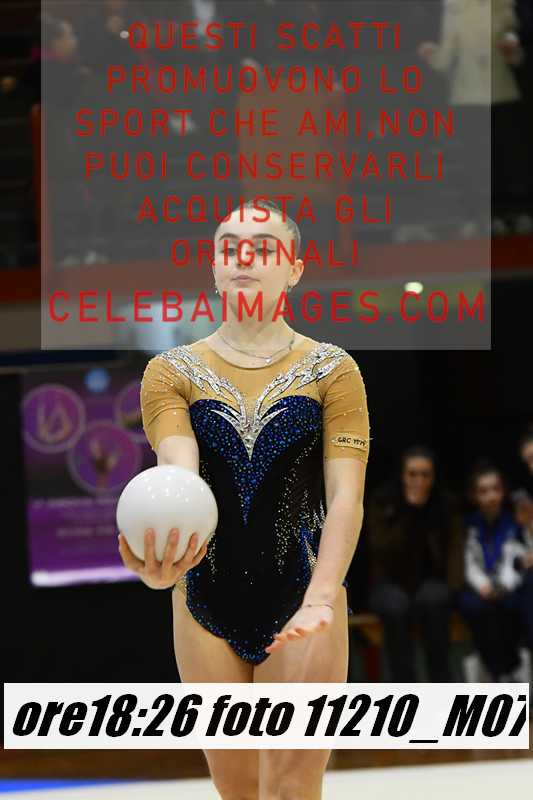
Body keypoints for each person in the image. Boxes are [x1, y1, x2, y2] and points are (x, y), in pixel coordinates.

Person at [118, 198, 370, 799]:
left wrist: (321, 598)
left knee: (290, 790)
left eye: (262, 248)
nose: (243, 258)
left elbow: (346, 498)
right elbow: (179, 478)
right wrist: (162, 555)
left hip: (304, 594)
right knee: (240, 794)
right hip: (204, 602)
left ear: (295, 269)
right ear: (213, 267)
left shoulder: (332, 370)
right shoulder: (171, 372)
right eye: (229, 247)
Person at [366, 445, 464, 682]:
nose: (419, 481)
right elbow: (380, 549)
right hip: (389, 581)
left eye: (425, 474)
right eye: (412, 474)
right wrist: (409, 512)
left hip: (431, 579)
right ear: (403, 475)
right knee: (395, 607)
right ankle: (405, 689)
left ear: (433, 477)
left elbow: (455, 550)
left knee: (435, 600)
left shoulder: (445, 504)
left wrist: (455, 588)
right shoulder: (383, 501)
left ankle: (441, 687)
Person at [457, 462, 525, 681]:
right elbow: (467, 563)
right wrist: (483, 586)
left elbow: (517, 559)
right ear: (474, 495)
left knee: (513, 606)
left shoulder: (513, 523)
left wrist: (504, 586)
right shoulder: (467, 526)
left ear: (503, 491)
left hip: (508, 589)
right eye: (484, 491)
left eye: (496, 489)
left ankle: (512, 671)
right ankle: (494, 674)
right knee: (477, 609)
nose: (491, 496)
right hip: (478, 591)